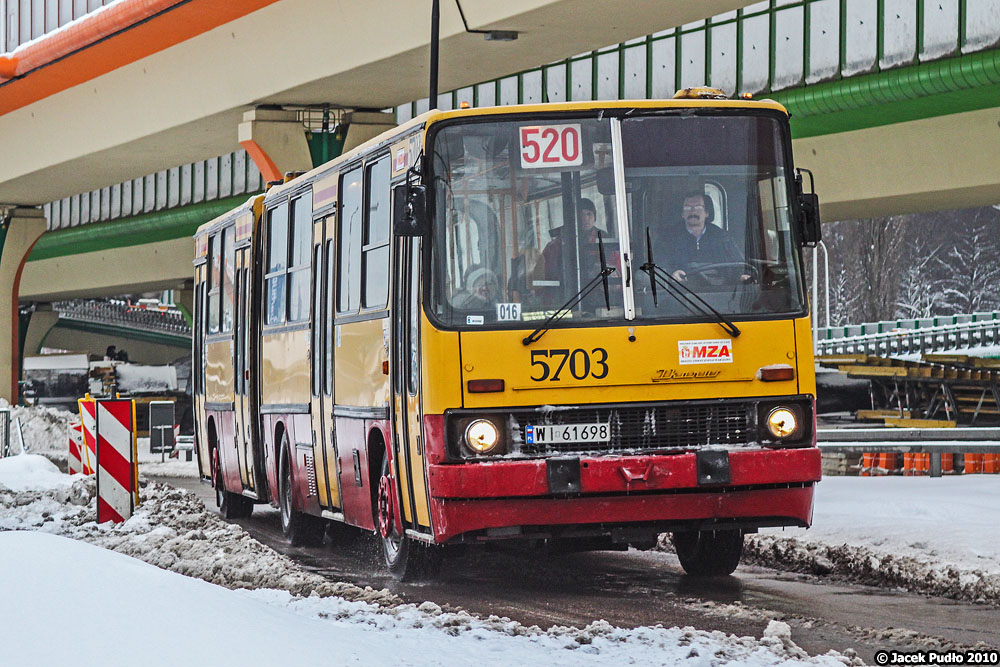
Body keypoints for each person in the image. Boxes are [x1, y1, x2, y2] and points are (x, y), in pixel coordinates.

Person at [660, 191, 748, 283]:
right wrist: (671, 274)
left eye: (698, 207)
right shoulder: (667, 239)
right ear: (682, 214)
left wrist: (741, 275)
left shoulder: (723, 237)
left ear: (707, 213)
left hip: (721, 292)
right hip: (681, 292)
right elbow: (659, 267)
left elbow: (738, 265)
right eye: (687, 207)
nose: (693, 211)